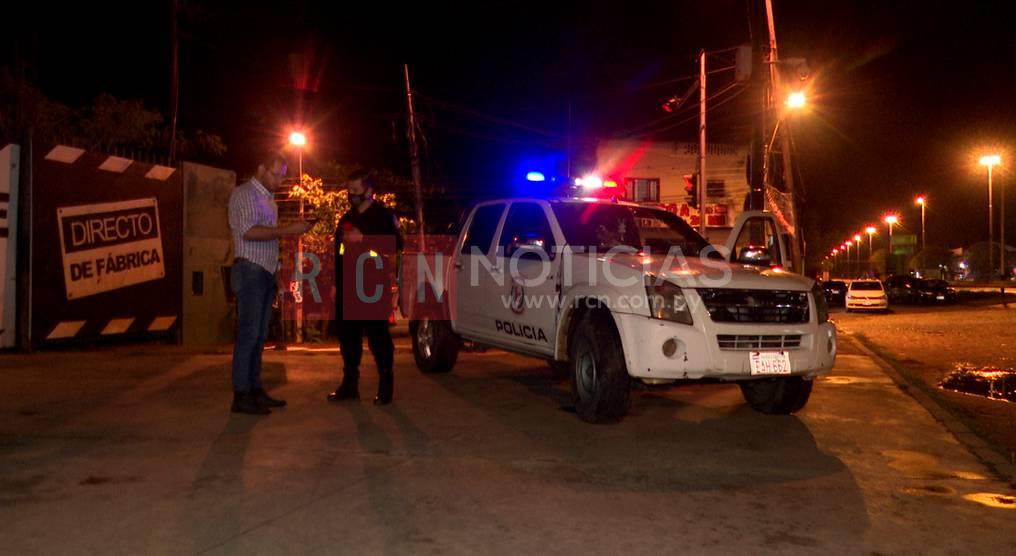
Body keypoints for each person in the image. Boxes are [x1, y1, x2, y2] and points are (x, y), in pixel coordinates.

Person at [227, 152, 313, 415]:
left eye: (283, 176)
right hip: (250, 268)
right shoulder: (243, 194)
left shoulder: (270, 201)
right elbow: (248, 231)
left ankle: (254, 390)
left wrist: (276, 273)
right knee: (249, 334)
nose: (279, 180)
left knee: (259, 336)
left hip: (264, 271)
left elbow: (270, 240)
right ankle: (241, 394)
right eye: (276, 174)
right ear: (261, 168)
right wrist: (288, 230)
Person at [328, 170, 402, 405]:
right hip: (348, 286)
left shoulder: (383, 216)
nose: (352, 195)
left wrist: (365, 239)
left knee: (378, 336)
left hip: (373, 285)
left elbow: (394, 246)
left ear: (369, 191)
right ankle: (350, 384)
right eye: (350, 191)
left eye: (357, 191)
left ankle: (386, 384)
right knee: (348, 337)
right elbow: (339, 251)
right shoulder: (346, 218)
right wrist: (336, 283)